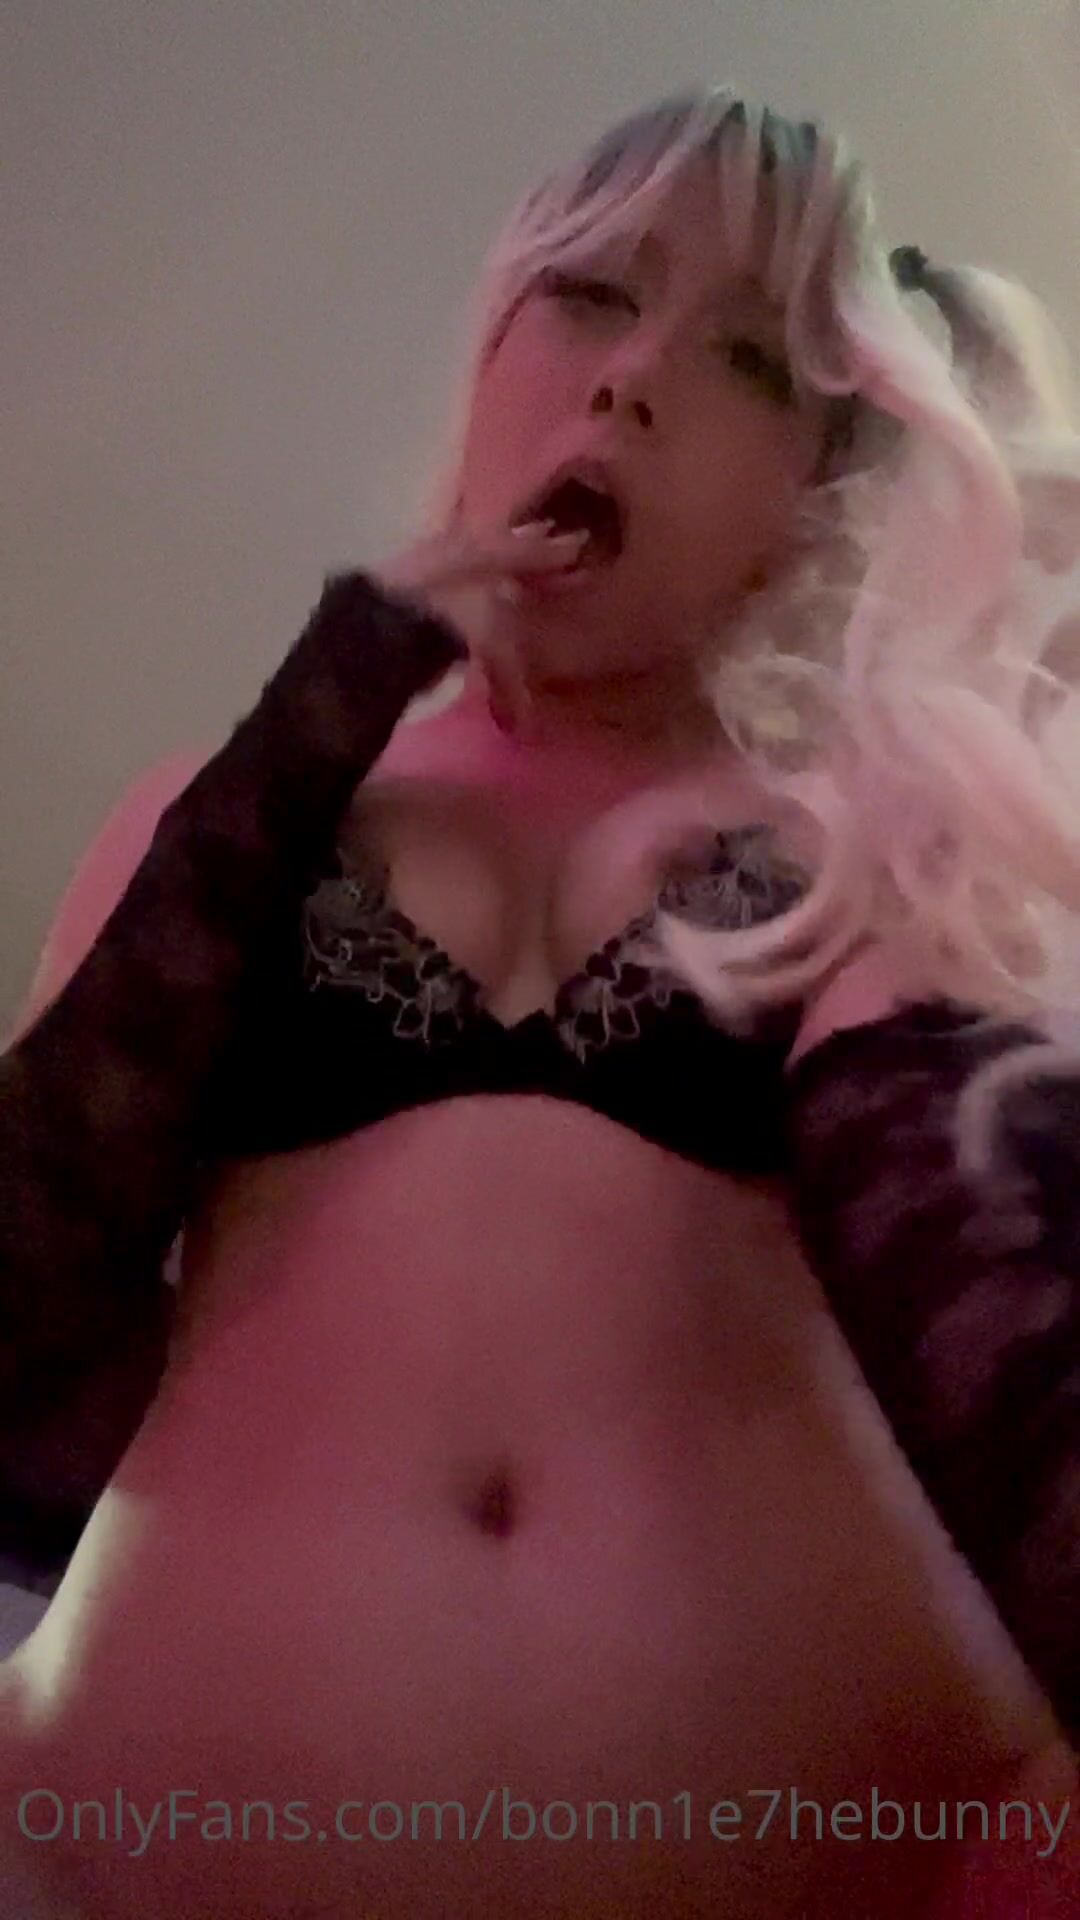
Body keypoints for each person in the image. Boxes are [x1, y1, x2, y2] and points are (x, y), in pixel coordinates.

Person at [0, 86, 1078, 1919]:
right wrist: (325, 702)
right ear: (491, 351)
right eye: (591, 294)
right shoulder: (226, 813)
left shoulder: (883, 840)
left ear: (812, 491)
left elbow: (1002, 1311)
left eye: (747, 357)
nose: (635, 378)